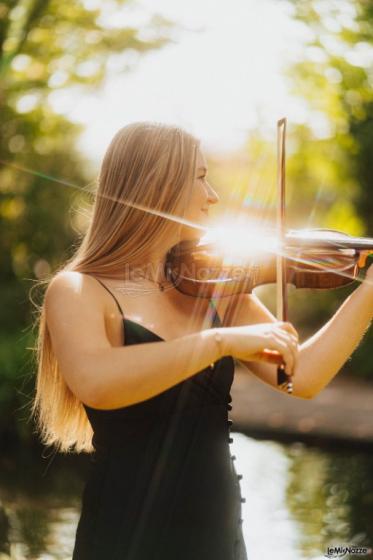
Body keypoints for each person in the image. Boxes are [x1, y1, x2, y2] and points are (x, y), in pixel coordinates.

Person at [32, 122, 373, 560]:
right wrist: (218, 342)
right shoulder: (79, 289)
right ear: (157, 184)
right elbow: (98, 382)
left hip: (219, 537)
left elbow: (302, 375)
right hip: (125, 536)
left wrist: (368, 294)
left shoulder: (216, 287)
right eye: (200, 177)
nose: (213, 195)